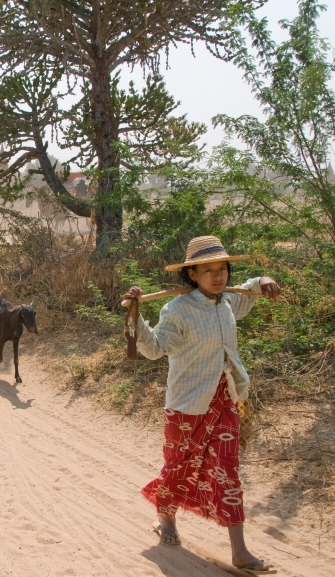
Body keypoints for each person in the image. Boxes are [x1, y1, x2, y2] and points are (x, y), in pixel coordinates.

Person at [124, 235, 279, 575]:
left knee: (228, 470)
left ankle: (239, 551)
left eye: (222, 268)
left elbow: (249, 291)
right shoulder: (178, 309)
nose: (217, 276)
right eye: (207, 270)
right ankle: (166, 516)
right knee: (179, 467)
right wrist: (136, 316)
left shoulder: (228, 302)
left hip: (225, 399)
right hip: (187, 404)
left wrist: (262, 280)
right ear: (192, 274)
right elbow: (155, 349)